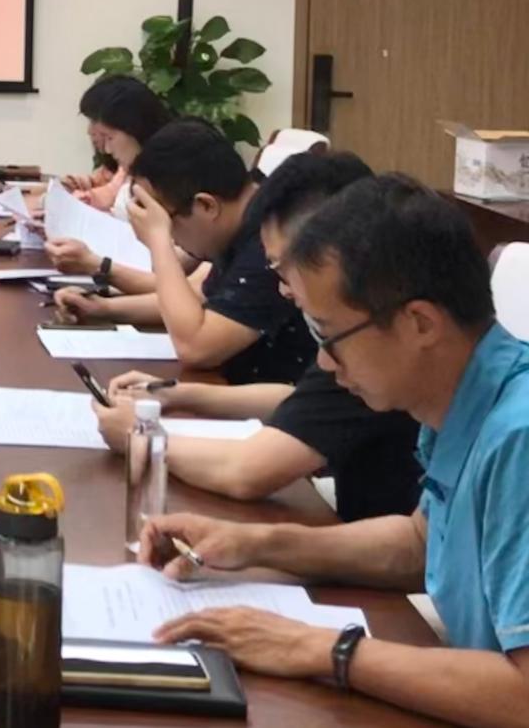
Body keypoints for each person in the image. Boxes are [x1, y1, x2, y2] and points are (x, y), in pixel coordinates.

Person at [138, 175, 529, 727]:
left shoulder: (518, 436)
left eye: (328, 336)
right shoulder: (464, 394)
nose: (323, 362)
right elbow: (421, 544)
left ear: (420, 323)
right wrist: (255, 543)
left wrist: (319, 648)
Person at [92, 152, 421, 521]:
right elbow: (302, 398)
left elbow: (246, 471)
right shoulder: (356, 326)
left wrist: (139, 437)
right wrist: (176, 394)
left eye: (281, 268)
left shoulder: (370, 335)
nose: (281, 288)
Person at [56, 119, 317, 383]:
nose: (173, 239)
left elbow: (195, 347)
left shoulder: (269, 243)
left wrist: (158, 240)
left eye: (168, 221)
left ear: (206, 206)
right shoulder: (242, 223)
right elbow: (197, 299)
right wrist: (102, 308)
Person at [60, 74, 171, 218]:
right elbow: (99, 184)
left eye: (109, 137)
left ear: (134, 128)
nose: (107, 149)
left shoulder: (164, 182)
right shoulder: (126, 169)